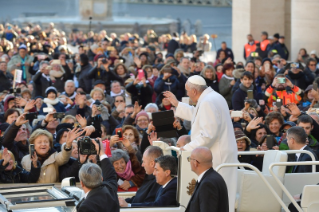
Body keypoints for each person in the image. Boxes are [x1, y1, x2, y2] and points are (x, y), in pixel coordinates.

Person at [164, 75, 238, 212]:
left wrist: (186, 148)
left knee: (217, 196)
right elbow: (197, 114)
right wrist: (178, 104)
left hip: (217, 154)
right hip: (221, 151)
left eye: (187, 91)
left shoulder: (208, 102)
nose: (187, 94)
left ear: (194, 91)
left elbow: (208, 135)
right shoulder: (212, 97)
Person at [76, 139, 120, 212]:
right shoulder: (110, 189)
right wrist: (101, 153)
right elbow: (111, 175)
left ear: (82, 183)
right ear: (102, 179)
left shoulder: (86, 207)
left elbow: (111, 175)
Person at [185, 147, 229, 212]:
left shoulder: (207, 184)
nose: (189, 162)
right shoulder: (214, 177)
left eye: (189, 159)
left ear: (195, 163)